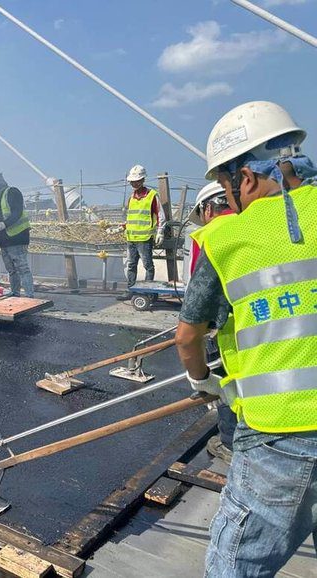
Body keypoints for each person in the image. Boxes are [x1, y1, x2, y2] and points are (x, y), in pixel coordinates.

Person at [175, 101, 317, 576]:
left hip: (280, 432)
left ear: (247, 179)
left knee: (237, 564)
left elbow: (188, 336)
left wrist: (203, 382)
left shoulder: (228, 238)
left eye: (227, 187)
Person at [187, 182, 237, 464]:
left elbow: (197, 297)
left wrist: (199, 375)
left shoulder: (208, 237)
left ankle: (229, 443)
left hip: (223, 329)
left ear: (208, 208)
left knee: (224, 384)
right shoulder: (255, 224)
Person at [116, 164, 166, 300]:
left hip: (144, 238)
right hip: (131, 237)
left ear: (143, 180)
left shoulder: (152, 196)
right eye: (132, 181)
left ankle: (147, 292)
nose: (134, 183)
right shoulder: (131, 198)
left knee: (148, 265)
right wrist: (121, 227)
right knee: (131, 264)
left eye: (136, 180)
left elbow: (161, 216)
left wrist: (160, 232)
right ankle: (131, 289)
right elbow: (130, 218)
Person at [0, 170, 34, 298]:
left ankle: (29, 296)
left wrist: (3, 224)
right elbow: (0, 218)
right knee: (12, 270)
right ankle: (15, 293)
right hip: (5, 240)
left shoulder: (12, 192)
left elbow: (17, 212)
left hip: (16, 238)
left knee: (22, 269)